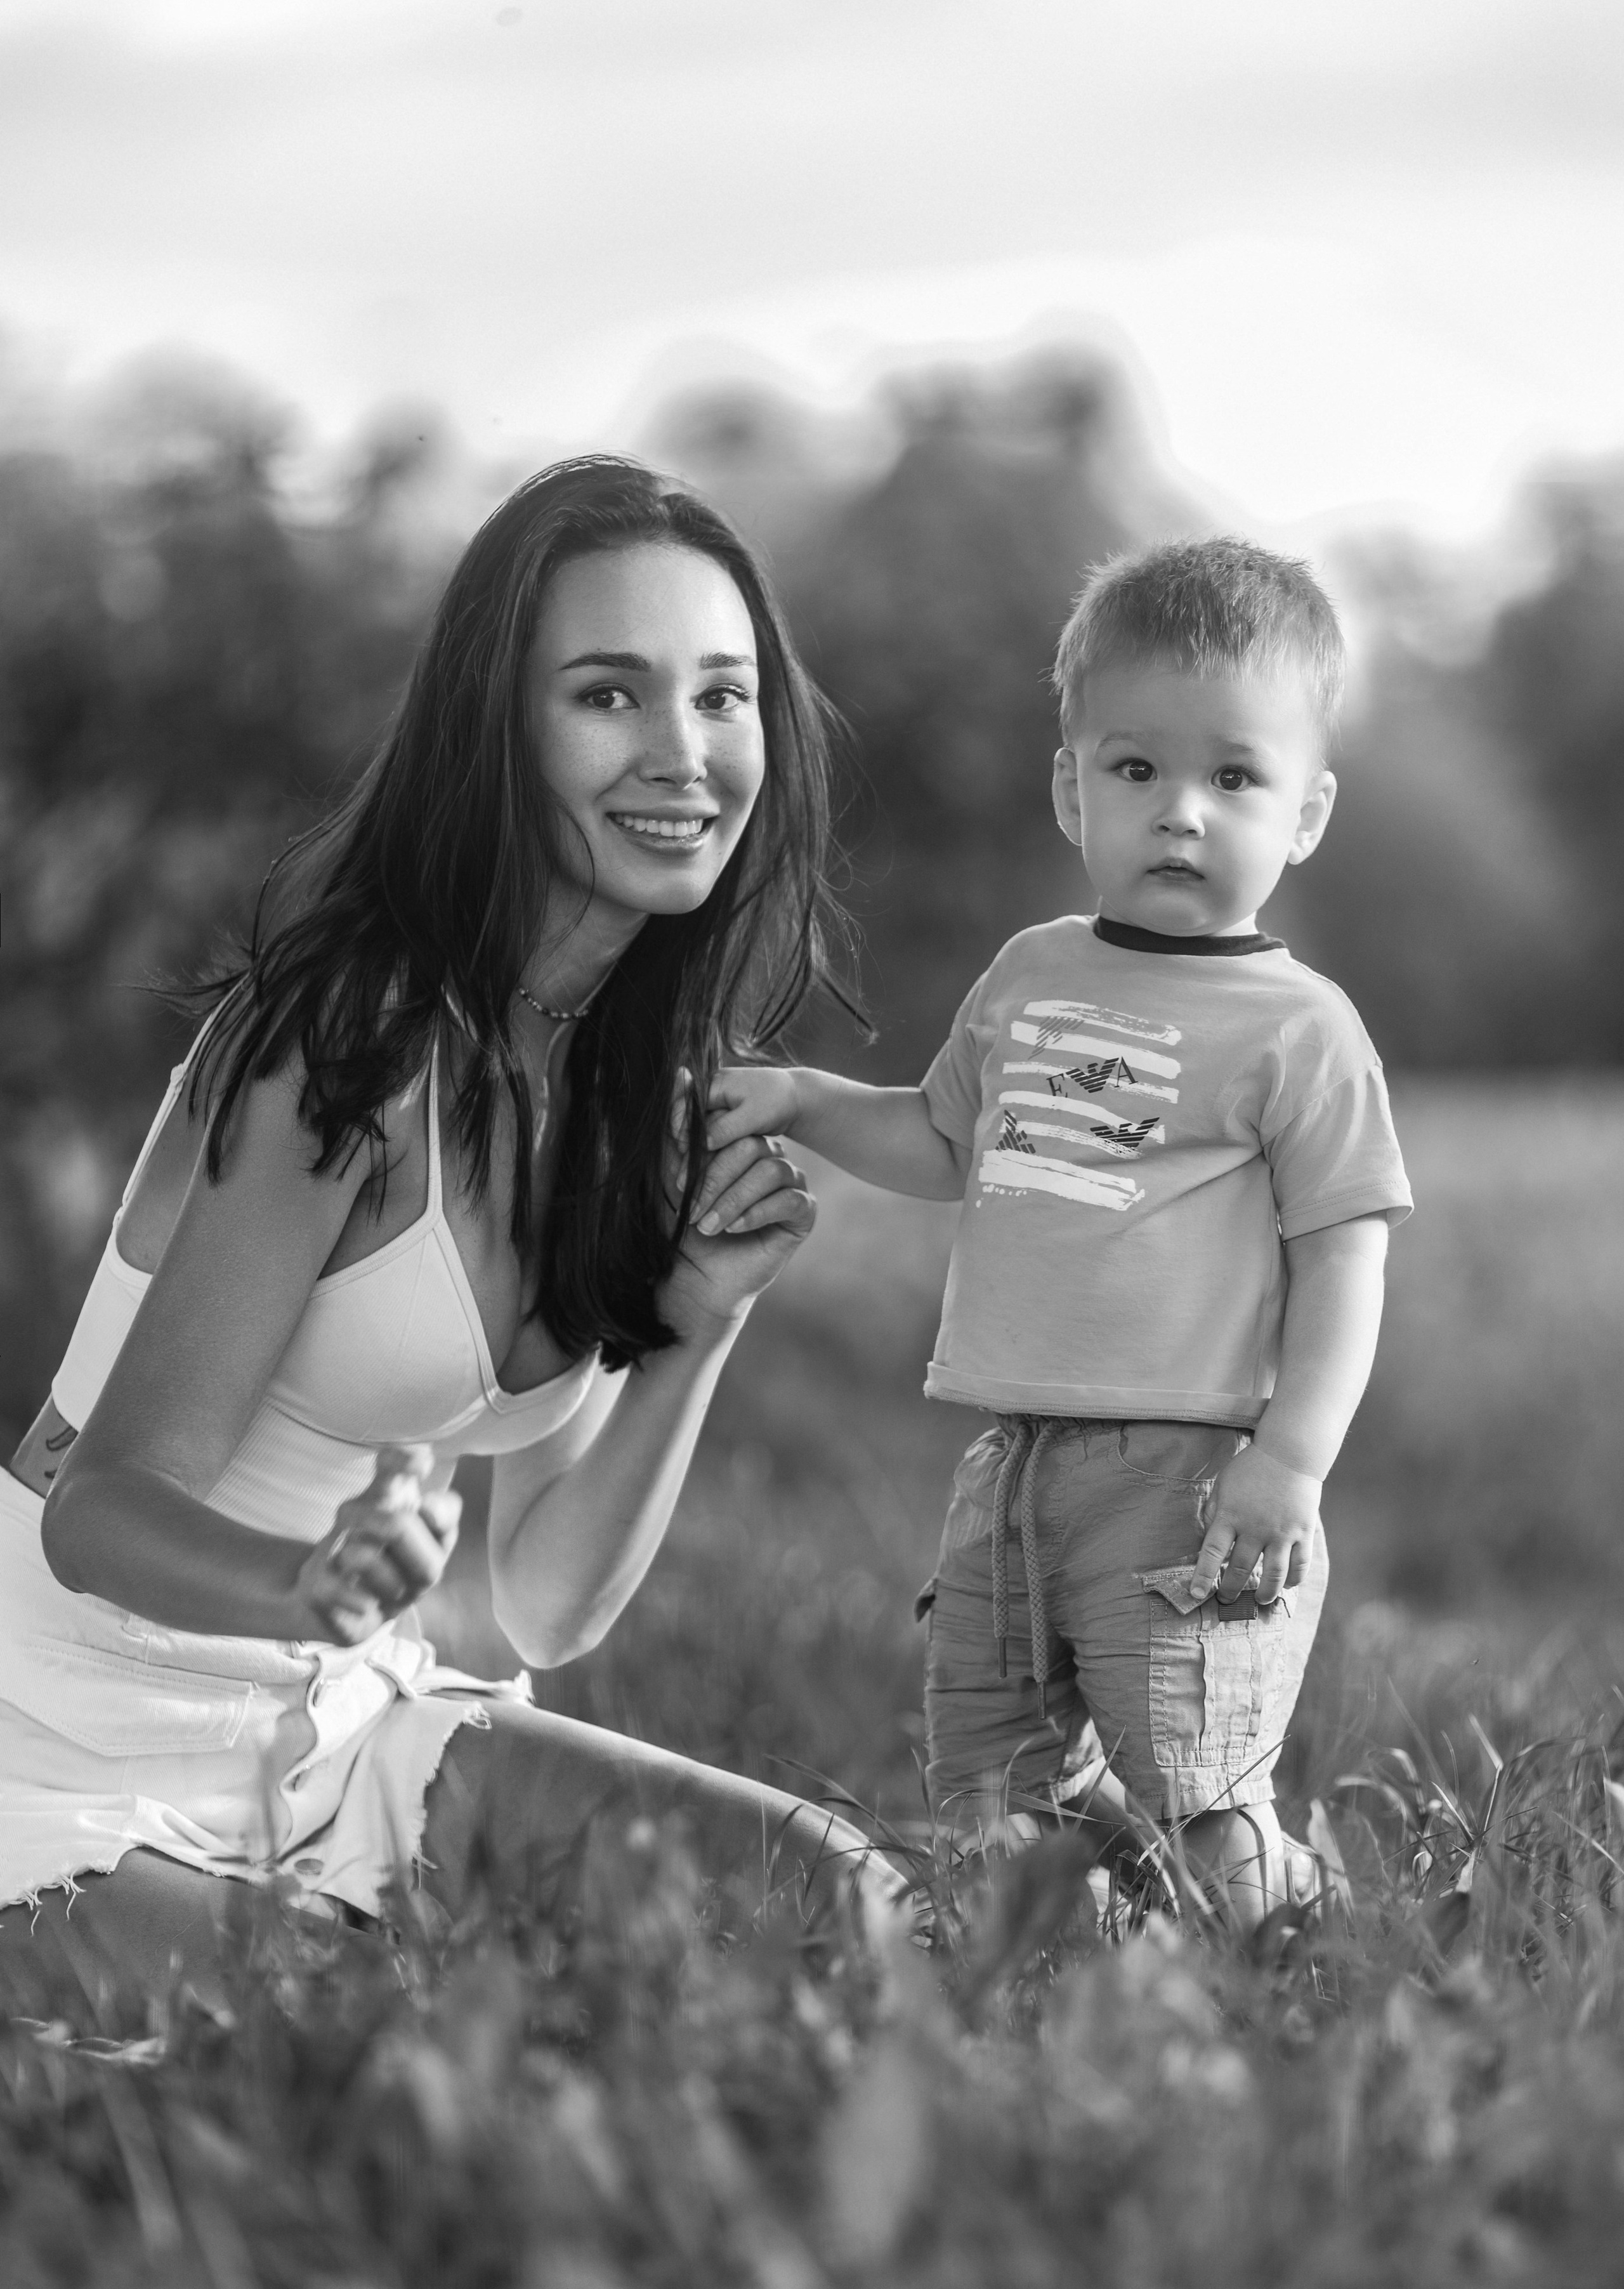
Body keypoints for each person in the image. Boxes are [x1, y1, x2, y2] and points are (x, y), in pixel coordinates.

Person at [0, 455, 905, 1997]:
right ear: (496, 727)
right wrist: (308, 1587)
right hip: (63, 1713)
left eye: (721, 694)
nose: (681, 752)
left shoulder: (639, 1088)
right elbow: (100, 1512)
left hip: (342, 1714)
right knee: (357, 2034)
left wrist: (694, 1331)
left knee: (833, 1888)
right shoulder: (344, 1042)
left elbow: (541, 1596)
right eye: (608, 694)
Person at [702, 536, 1413, 1924]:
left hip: (1190, 1478)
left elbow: (1344, 1254)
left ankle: (1296, 1932)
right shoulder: (1031, 972)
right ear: (1071, 788)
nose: (1181, 814)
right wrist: (798, 1097)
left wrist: (1291, 1460)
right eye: (1136, 768)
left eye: (1234, 778)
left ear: (1307, 812)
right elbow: (946, 1141)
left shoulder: (1301, 1029)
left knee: (1196, 1785)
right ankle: (1035, 1960)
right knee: (988, 1783)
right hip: (1013, 1466)